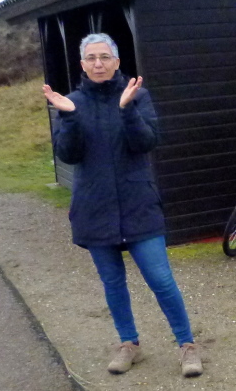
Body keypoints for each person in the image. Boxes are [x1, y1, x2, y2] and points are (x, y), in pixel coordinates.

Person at [43, 33, 203, 378]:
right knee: (113, 282)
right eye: (91, 58)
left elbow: (146, 142)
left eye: (104, 57)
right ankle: (128, 343)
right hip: (94, 208)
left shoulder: (137, 95)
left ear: (116, 61)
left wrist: (127, 109)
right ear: (82, 64)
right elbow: (68, 154)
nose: (98, 64)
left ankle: (187, 344)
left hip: (138, 205)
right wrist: (68, 118)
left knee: (161, 280)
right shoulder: (71, 103)